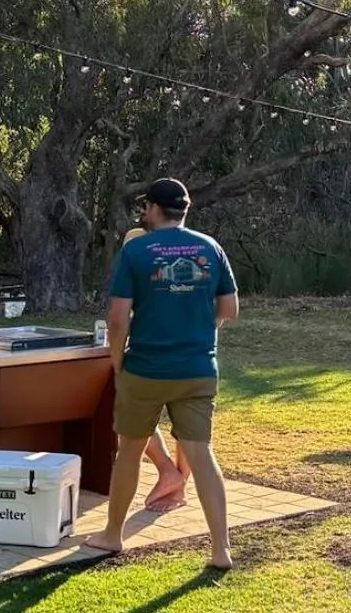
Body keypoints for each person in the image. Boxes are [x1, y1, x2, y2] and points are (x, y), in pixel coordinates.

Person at [86, 177, 239, 569]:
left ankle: (112, 534)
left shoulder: (137, 251)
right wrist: (202, 333)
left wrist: (117, 360)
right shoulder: (211, 248)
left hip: (145, 369)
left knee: (130, 452)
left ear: (153, 209)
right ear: (184, 210)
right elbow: (230, 309)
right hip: (198, 367)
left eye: (145, 207)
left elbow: (118, 318)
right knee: (201, 455)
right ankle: (221, 549)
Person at [120, 219, 191, 511]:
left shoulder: (189, 248)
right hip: (154, 344)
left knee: (187, 419)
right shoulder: (136, 239)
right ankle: (169, 473)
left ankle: (178, 485)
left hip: (181, 345)